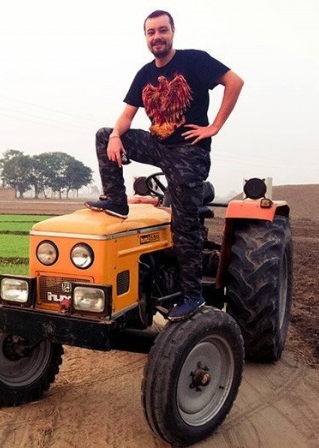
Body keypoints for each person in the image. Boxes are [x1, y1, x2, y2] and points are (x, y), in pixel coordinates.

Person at [85, 10, 244, 321]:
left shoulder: (194, 60)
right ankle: (116, 201)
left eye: (162, 30)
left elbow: (234, 82)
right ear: (146, 37)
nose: (157, 37)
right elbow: (128, 114)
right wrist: (117, 135)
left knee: (183, 225)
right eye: (151, 32)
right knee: (105, 135)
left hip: (188, 151)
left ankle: (193, 296)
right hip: (158, 146)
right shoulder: (145, 73)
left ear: (172, 32)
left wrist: (214, 127)